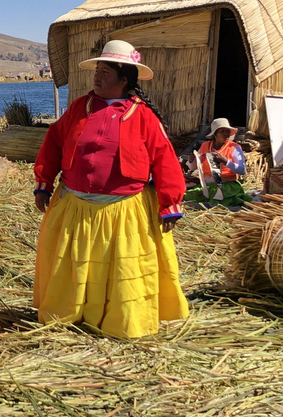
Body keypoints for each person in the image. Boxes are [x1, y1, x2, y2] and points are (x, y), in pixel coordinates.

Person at [32, 40, 189, 338]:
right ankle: (70, 314)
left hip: (124, 210)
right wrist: (43, 183)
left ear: (124, 79)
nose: (97, 76)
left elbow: (165, 159)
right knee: (74, 265)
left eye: (105, 71)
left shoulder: (142, 116)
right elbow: (53, 143)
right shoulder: (80, 107)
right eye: (97, 69)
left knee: (122, 272)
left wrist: (170, 204)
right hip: (76, 206)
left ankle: (118, 321)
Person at [184, 118, 253, 207]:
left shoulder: (234, 148)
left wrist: (226, 162)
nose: (226, 134)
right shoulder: (205, 146)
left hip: (227, 185)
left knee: (220, 198)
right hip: (208, 186)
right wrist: (192, 160)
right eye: (222, 131)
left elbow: (242, 170)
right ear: (215, 134)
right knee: (190, 196)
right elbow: (194, 167)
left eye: (227, 131)